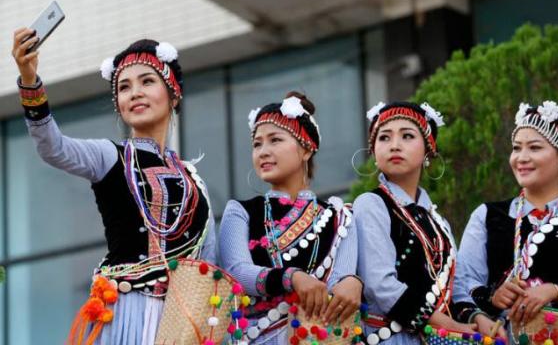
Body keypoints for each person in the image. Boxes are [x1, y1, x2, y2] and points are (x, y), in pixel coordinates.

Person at [12, 29, 217, 344]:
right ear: (118, 103)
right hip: (125, 313)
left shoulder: (194, 183)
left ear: (173, 93)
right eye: (124, 87)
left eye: (147, 81)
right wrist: (29, 78)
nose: (135, 92)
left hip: (179, 322)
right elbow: (53, 147)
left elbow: (211, 265)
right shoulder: (110, 156)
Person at [219, 93, 362, 344]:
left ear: (307, 149)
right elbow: (236, 272)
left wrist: (353, 282)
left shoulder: (340, 217)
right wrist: (292, 277)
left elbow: (342, 280)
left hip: (318, 335)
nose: (264, 152)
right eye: (257, 144)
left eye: (275, 140)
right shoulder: (238, 212)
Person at [453, 101, 558, 344]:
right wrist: (493, 297)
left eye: (534, 147)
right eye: (516, 148)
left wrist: (556, 291)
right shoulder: (488, 215)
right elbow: (463, 283)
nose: (521, 158)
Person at [354, 101, 476, 344]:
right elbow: (379, 285)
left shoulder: (438, 221)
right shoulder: (371, 204)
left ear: (428, 150)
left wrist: (476, 316)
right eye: (384, 138)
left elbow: (457, 284)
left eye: (407, 136)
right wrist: (443, 323)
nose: (395, 145)